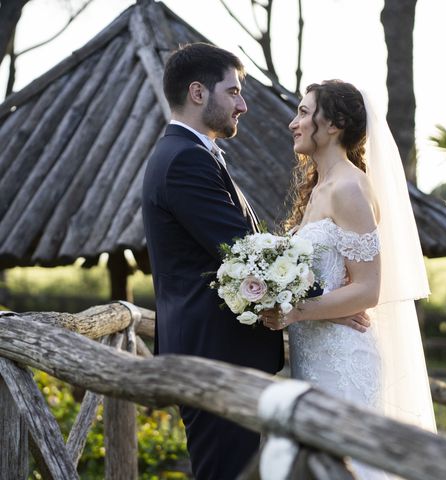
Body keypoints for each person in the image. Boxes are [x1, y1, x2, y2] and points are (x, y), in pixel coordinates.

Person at [142, 45, 368, 479]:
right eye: (234, 92)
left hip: (218, 355)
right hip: (213, 358)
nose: (243, 105)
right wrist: (331, 304)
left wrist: (323, 305)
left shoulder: (191, 153)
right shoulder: (184, 159)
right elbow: (244, 254)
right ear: (197, 93)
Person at [262, 80, 437, 479]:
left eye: (304, 113)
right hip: (314, 355)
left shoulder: (350, 188)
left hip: (343, 360)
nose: (294, 123)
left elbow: (368, 289)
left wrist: (293, 311)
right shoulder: (320, 187)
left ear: (335, 123)